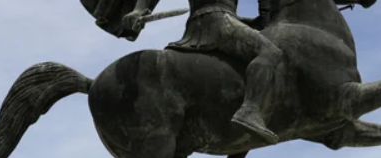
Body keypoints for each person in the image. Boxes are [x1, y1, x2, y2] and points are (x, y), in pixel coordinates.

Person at [120, 0, 285, 143]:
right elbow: (218, 9)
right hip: (218, 22)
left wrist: (251, 22)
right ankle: (250, 110)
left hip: (218, 19)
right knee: (270, 52)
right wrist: (138, 10)